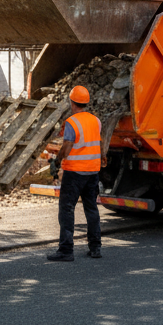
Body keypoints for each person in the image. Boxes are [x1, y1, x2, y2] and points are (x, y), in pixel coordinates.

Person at [47, 86, 106, 262]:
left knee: (66, 209)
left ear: (71, 102)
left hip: (74, 173)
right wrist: (103, 158)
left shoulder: (72, 122)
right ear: (86, 102)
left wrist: (56, 163)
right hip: (93, 172)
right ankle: (95, 248)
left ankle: (66, 250)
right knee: (91, 208)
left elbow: (66, 147)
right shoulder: (96, 121)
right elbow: (99, 143)